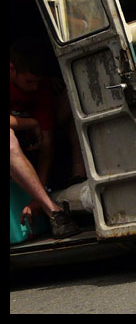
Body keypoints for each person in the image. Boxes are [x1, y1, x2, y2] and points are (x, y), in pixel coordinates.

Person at [10, 38, 82, 238]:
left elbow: (47, 144)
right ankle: (53, 211)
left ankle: (78, 176)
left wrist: (39, 192)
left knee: (77, 100)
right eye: (29, 81)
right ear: (12, 70)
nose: (34, 87)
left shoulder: (39, 90)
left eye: (38, 82)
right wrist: (31, 123)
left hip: (27, 146)